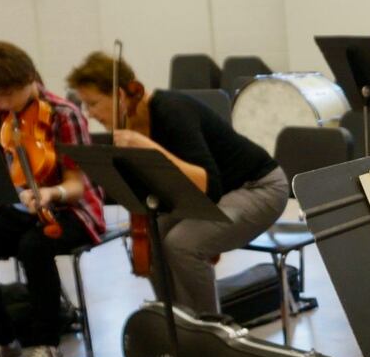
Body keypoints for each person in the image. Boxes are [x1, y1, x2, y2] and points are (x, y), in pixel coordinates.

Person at [68, 51, 289, 316]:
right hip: (215, 196)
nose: (89, 114)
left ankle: (209, 328)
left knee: (183, 244)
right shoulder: (128, 125)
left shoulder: (172, 111)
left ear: (120, 95)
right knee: (151, 239)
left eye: (93, 104)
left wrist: (150, 148)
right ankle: (176, 320)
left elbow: (208, 185)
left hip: (259, 187)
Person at [0, 41, 106, 357]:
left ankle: (46, 344)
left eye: (8, 94)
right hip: (20, 210)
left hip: (73, 210)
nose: (3, 103)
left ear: (29, 78)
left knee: (33, 246)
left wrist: (50, 192)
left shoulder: (64, 114)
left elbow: (77, 185)